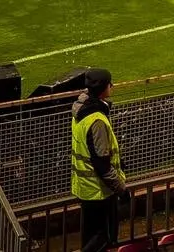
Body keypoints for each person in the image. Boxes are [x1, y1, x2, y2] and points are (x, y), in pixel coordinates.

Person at [71, 68, 126, 252]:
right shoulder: (97, 120)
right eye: (110, 83)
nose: (112, 86)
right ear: (104, 88)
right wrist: (121, 189)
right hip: (99, 191)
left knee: (91, 236)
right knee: (104, 238)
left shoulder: (81, 111)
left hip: (86, 188)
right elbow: (101, 164)